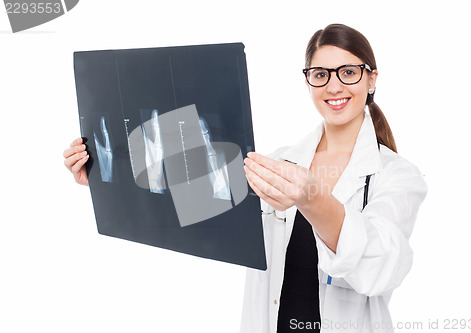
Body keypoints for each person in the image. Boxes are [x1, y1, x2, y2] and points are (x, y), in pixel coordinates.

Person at [63, 24, 427, 333]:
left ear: (371, 78)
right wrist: (104, 177)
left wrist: (314, 198)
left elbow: (383, 269)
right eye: (320, 74)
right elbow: (197, 209)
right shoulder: (280, 161)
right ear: (309, 82)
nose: (334, 87)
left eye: (348, 72)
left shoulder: (397, 176)